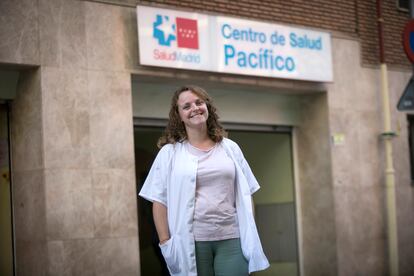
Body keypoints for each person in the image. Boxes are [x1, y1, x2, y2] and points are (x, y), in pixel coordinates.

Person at [139, 85, 269, 276]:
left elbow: (246, 192)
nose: (195, 108)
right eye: (187, 106)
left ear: (207, 106)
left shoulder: (230, 148)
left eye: (199, 102)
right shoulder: (170, 153)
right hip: (191, 243)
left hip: (232, 239)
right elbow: (159, 201)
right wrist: (165, 241)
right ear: (179, 115)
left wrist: (249, 229)